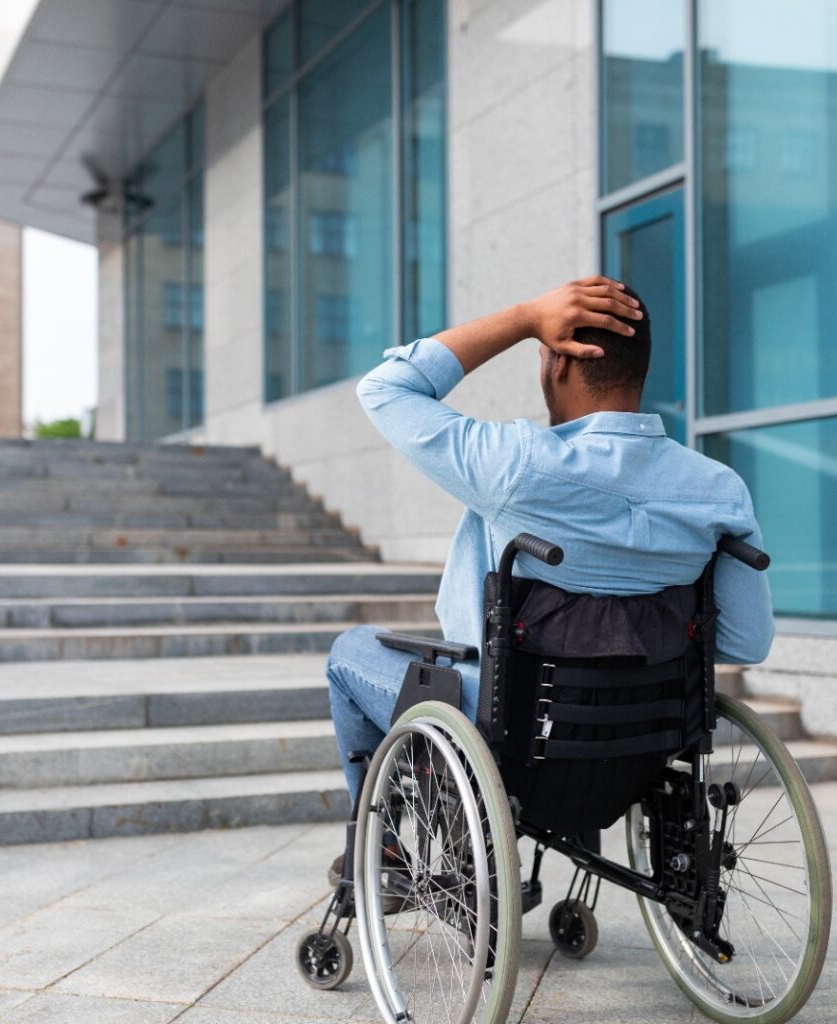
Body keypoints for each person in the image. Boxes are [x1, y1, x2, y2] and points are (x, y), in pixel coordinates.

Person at [325, 276, 773, 881]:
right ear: (639, 368)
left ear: (560, 361)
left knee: (348, 652)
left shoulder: (517, 465)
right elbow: (746, 642)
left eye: (543, 349)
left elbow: (386, 388)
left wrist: (523, 317)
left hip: (509, 734)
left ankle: (380, 851)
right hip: (643, 742)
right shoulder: (720, 491)